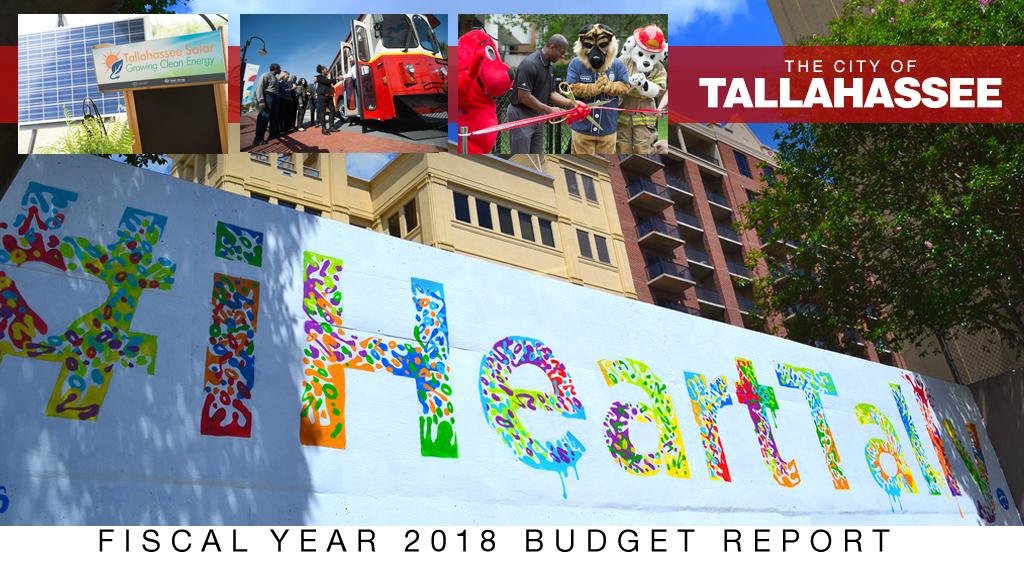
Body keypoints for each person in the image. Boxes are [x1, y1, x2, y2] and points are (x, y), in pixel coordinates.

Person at [506, 35, 580, 154]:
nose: (563, 56)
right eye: (561, 52)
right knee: (521, 157)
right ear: (552, 47)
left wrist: (573, 103)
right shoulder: (530, 64)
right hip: (521, 114)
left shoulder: (550, 66)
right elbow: (524, 97)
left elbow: (551, 93)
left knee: (537, 156)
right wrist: (550, 110)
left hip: (538, 115)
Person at [252, 63, 281, 146]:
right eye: (279, 68)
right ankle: (258, 139)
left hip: (275, 98)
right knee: (264, 117)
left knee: (274, 117)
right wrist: (261, 100)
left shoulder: (275, 78)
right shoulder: (265, 75)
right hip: (267, 97)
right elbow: (259, 87)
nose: (280, 70)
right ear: (275, 68)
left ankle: (273, 134)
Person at [314, 64, 340, 135]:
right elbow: (326, 82)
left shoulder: (327, 78)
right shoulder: (319, 77)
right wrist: (336, 78)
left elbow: (329, 81)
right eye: (326, 69)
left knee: (332, 110)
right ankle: (324, 129)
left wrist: (336, 79)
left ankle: (331, 127)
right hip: (322, 96)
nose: (327, 70)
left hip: (329, 96)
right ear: (322, 71)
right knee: (323, 112)